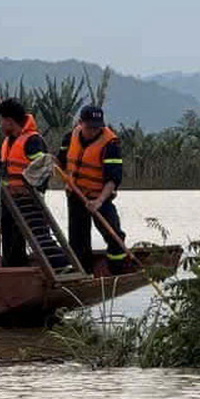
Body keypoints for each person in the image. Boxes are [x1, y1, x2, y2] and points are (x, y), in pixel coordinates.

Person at [57, 105, 126, 274]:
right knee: (78, 240)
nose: (94, 131)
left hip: (99, 197)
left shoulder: (110, 144)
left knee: (114, 236)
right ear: (80, 123)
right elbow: (60, 162)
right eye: (90, 127)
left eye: (97, 127)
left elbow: (112, 180)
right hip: (76, 196)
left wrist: (99, 201)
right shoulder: (69, 138)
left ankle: (116, 272)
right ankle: (83, 272)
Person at [0, 98, 48, 267]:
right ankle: (15, 273)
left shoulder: (32, 141)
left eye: (1, 121)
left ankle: (61, 270)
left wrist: (35, 192)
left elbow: (43, 171)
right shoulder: (8, 141)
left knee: (41, 239)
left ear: (10, 121)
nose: (0, 125)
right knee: (11, 245)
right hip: (9, 203)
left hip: (28, 202)